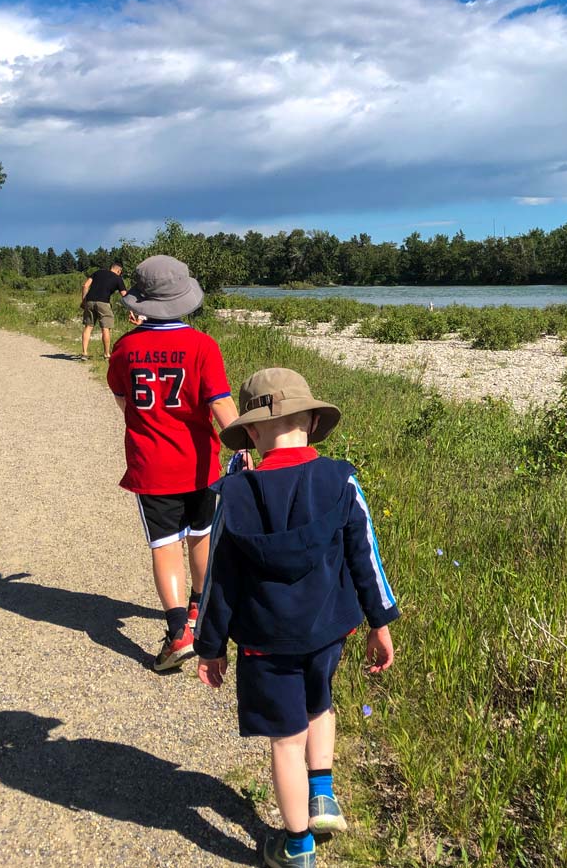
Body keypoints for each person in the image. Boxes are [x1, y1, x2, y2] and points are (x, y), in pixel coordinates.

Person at [194, 367, 398, 868]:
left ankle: (298, 844)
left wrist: (211, 644)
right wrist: (380, 621)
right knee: (321, 704)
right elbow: (364, 555)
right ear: (309, 421)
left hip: (266, 644)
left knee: (286, 741)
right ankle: (322, 793)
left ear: (254, 433)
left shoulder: (235, 495)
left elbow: (219, 576)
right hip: (329, 632)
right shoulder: (340, 479)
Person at [107, 254, 239, 671]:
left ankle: (178, 630)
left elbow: (122, 401)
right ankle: (199, 610)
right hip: (200, 465)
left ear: (141, 302)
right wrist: (243, 446)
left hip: (152, 466)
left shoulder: (127, 347)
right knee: (201, 536)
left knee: (165, 546)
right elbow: (220, 403)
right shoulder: (203, 345)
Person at [80, 260, 128, 359]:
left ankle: (84, 353)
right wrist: (131, 309)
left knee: (88, 327)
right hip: (104, 303)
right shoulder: (118, 278)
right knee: (105, 328)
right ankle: (106, 354)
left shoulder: (97, 272)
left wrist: (84, 300)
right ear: (119, 271)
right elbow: (124, 295)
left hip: (90, 301)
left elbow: (85, 285)